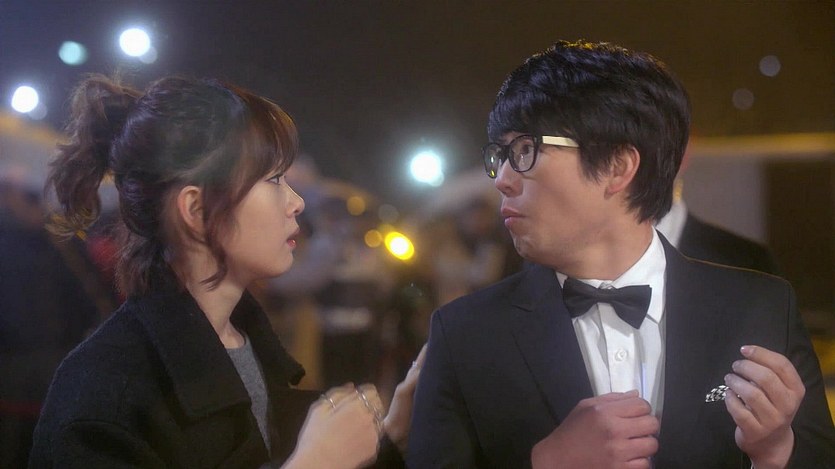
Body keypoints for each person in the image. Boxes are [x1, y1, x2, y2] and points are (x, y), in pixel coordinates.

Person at [408, 40, 835, 468]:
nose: (502, 179)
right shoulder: (465, 335)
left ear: (617, 166)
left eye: (524, 151)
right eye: (500, 156)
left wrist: (776, 451)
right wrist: (545, 464)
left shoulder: (761, 307)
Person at [29, 74, 423, 468]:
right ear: (196, 210)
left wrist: (392, 439)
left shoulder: (247, 343)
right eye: (273, 180)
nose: (297, 202)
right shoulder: (105, 390)